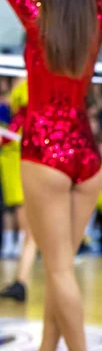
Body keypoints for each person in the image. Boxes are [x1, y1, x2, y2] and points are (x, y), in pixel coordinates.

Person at [0, 0, 102, 350]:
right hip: (87, 157)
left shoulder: (37, 16)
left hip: (44, 154)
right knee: (60, 269)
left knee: (57, 270)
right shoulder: (95, 17)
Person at [0, 79, 36, 302]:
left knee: (30, 231)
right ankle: (21, 281)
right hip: (20, 162)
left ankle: (21, 282)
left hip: (25, 164)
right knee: (30, 232)